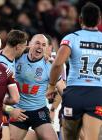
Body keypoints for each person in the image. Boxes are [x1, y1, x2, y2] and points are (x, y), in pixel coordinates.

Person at [46, 2, 102, 140]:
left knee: (69, 137)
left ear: (80, 19)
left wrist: (52, 86)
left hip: (74, 93)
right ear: (99, 20)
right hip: (96, 93)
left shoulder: (71, 38)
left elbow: (58, 64)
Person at [9, 34, 65, 140]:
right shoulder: (17, 58)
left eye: (43, 45)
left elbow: (62, 88)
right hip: (19, 110)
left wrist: (72, 105)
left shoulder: (49, 66)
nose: (40, 47)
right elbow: (2, 52)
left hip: (38, 110)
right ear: (29, 44)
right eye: (37, 43)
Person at [0, 29, 29, 140]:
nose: (26, 49)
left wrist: (43, 53)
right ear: (18, 47)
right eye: (24, 46)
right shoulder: (1, 67)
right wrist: (11, 110)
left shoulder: (4, 54)